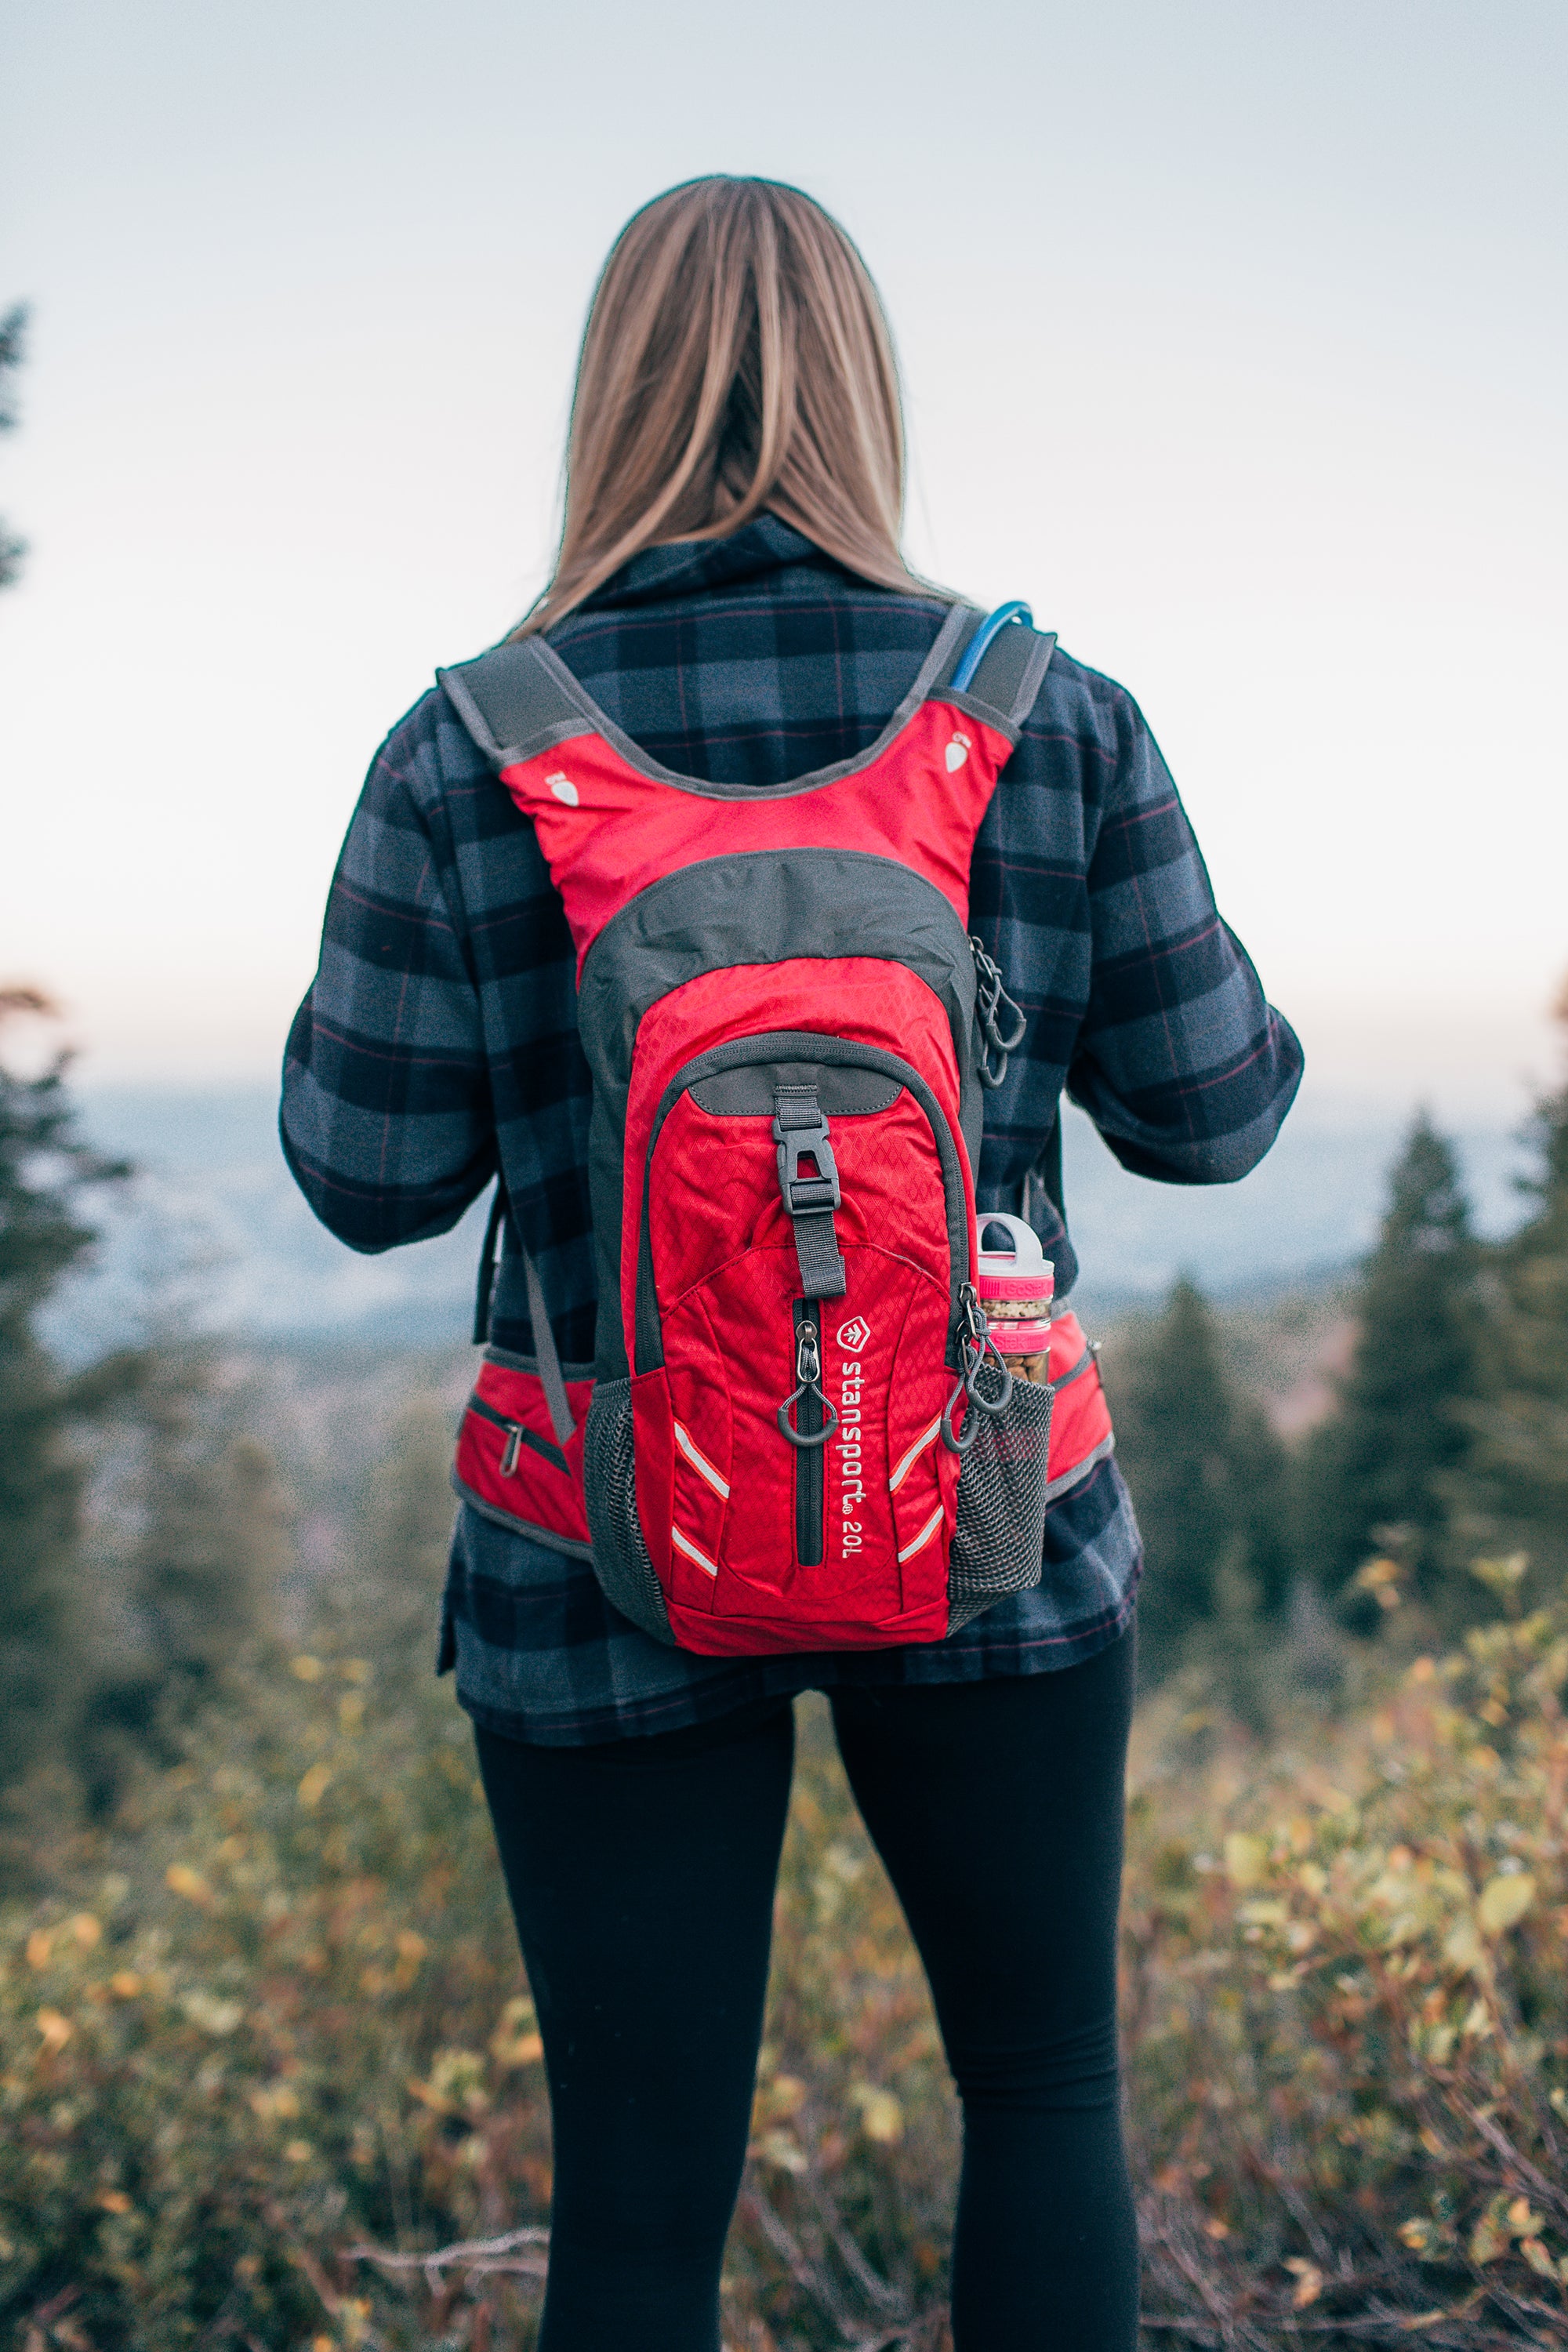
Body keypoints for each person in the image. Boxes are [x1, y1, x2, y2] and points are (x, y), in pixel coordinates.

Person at [281, 175, 1301, 2352]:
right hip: (996, 1520)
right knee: (1042, 2101)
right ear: (866, 388)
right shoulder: (1049, 713)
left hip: (596, 1543)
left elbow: (362, 1179)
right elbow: (1217, 1120)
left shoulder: (466, 747)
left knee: (642, 2203)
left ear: (604, 397)